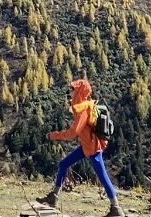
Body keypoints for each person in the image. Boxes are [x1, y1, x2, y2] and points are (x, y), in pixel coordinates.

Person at [36, 79, 123, 217]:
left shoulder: (83, 110)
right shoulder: (84, 106)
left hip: (93, 149)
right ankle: (54, 197)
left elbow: (74, 131)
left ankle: (116, 208)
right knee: (63, 164)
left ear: (79, 92)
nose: (72, 92)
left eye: (74, 90)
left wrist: (54, 135)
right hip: (87, 146)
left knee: (103, 177)